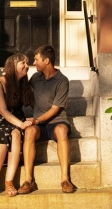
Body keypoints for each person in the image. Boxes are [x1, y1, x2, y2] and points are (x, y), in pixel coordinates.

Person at [18, 45, 75, 194]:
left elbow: (55, 109)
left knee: (62, 131)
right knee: (29, 132)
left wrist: (37, 119)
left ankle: (65, 179)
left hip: (57, 121)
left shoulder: (62, 81)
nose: (34, 63)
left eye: (36, 60)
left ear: (47, 61)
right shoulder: (35, 78)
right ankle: (28, 180)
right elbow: (27, 96)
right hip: (39, 124)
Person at [0, 53, 34, 198]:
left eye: (27, 63)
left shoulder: (24, 85)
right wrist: (21, 124)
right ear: (13, 65)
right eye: (23, 63)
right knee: (3, 139)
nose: (26, 65)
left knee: (15, 134)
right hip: (0, 122)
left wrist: (36, 119)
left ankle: (9, 182)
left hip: (18, 123)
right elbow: (3, 110)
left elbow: (36, 104)